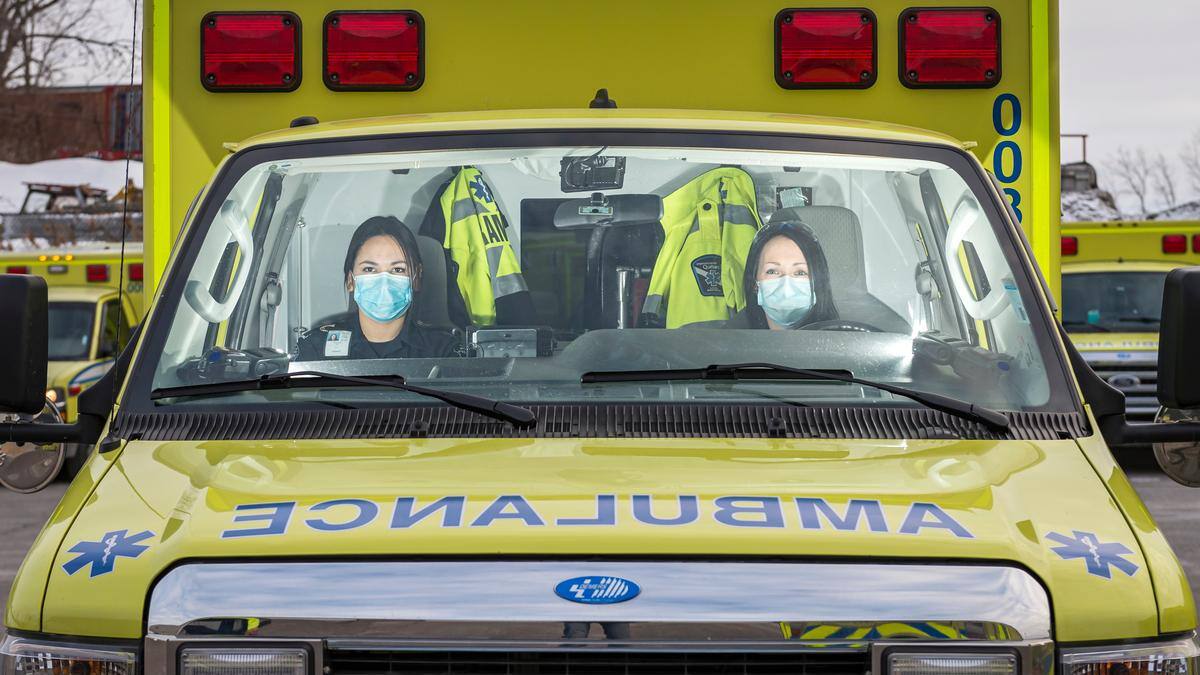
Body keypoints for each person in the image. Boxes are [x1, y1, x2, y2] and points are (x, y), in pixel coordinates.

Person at [296, 216, 460, 360]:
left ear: (416, 279)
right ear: (350, 280)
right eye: (369, 269)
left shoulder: (442, 351)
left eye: (398, 269)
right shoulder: (316, 348)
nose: (384, 281)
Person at [726, 220, 838, 330]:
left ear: (818, 283)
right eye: (772, 271)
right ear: (755, 284)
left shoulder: (844, 341)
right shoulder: (730, 341)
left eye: (800, 272)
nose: (786, 286)